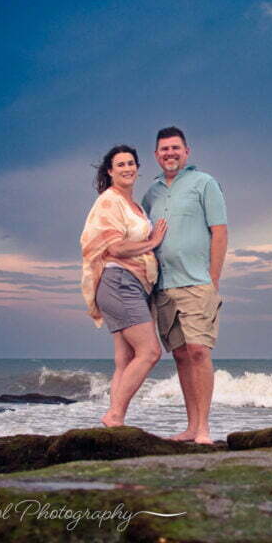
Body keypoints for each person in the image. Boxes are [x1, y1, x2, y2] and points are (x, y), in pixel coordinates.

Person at [142, 126, 227, 444]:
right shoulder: (150, 193)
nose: (170, 153)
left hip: (197, 283)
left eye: (175, 148)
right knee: (179, 355)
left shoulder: (204, 183)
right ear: (156, 155)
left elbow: (219, 231)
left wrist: (214, 277)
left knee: (199, 352)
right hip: (163, 287)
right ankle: (191, 426)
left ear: (186, 152)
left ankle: (204, 428)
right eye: (164, 149)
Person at [80, 145, 167, 428]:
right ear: (110, 171)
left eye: (131, 163)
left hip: (133, 284)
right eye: (120, 165)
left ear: (138, 168)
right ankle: (114, 415)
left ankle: (114, 422)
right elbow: (115, 246)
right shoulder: (110, 200)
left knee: (125, 358)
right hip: (119, 282)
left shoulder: (135, 206)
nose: (127, 168)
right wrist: (151, 243)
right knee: (150, 352)